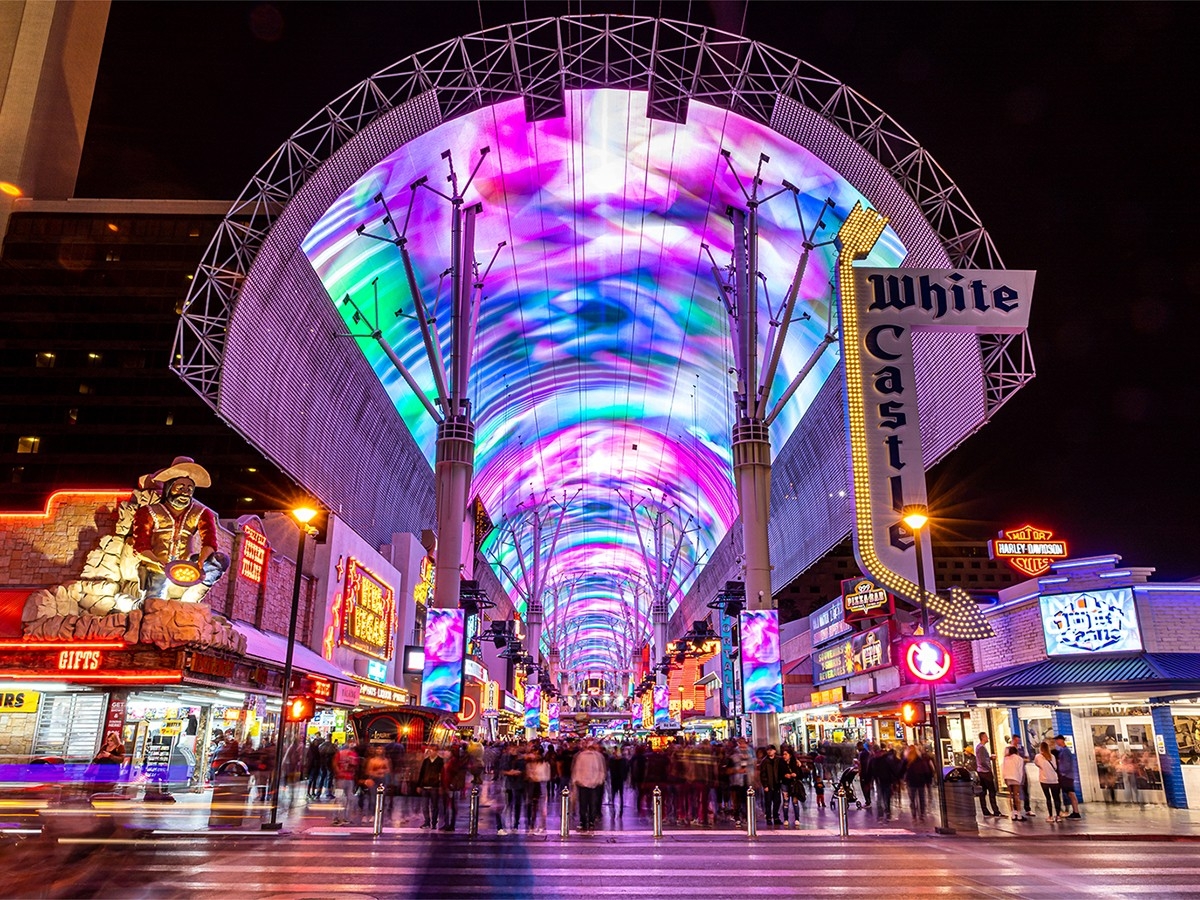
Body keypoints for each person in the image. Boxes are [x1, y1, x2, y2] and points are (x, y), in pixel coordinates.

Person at [130, 456, 230, 601]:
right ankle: (142, 603)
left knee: (220, 560)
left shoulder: (201, 513)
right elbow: (140, 547)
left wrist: (200, 562)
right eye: (181, 487)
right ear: (170, 487)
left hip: (186, 566)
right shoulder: (148, 511)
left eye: (189, 488)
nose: (185, 492)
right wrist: (159, 562)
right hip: (157, 567)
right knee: (153, 604)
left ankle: (191, 601)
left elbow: (210, 542)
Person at [571, 739, 608, 832]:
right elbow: (601, 770)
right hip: (595, 783)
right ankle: (591, 822)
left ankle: (583, 823)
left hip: (582, 783)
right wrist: (600, 780)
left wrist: (575, 780)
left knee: (583, 804)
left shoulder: (581, 756)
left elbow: (577, 769)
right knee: (593, 804)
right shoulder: (599, 756)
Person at [902, 744, 934, 823]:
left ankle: (914, 815)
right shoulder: (921, 760)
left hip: (911, 782)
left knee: (912, 799)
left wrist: (902, 779)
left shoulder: (907, 760)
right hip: (921, 782)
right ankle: (922, 815)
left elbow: (901, 770)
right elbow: (927, 770)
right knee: (921, 798)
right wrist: (928, 781)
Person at [974, 732, 1003, 819]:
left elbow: (982, 759)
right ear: (982, 737)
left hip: (981, 771)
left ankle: (985, 810)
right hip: (985, 772)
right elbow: (983, 761)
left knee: (983, 792)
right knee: (991, 791)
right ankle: (995, 810)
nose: (988, 738)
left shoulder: (979, 747)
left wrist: (989, 758)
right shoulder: (981, 748)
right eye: (986, 736)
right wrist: (989, 768)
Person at [332, 740, 360, 826]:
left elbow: (334, 764)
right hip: (349, 779)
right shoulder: (354, 755)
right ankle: (346, 817)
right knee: (349, 798)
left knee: (339, 797)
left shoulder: (340, 753)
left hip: (340, 779)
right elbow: (355, 767)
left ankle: (336, 817)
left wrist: (338, 772)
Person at [1034, 740, 1063, 822]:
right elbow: (1056, 768)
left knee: (1048, 798)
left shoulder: (1038, 756)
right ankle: (1058, 816)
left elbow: (1037, 764)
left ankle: (1050, 816)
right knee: (1056, 798)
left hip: (1044, 780)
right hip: (1054, 780)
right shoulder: (1052, 756)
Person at [1053, 735, 1081, 819]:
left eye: (1057, 740)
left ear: (1061, 740)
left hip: (1067, 776)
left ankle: (1076, 812)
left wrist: (1062, 773)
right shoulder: (1063, 751)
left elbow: (1066, 764)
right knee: (1070, 793)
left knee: (1071, 793)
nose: (1056, 742)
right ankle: (1075, 811)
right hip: (1067, 775)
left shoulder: (1065, 751)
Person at [417, 745, 444, 829]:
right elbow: (421, 773)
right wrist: (419, 785)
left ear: (437, 751)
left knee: (434, 806)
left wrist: (440, 786)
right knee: (424, 806)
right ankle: (427, 822)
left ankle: (434, 822)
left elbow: (442, 774)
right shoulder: (426, 761)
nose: (431, 752)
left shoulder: (440, 761)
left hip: (434, 787)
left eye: (433, 750)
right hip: (425, 786)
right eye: (430, 750)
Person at [757, 744, 784, 826]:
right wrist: (765, 785)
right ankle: (768, 818)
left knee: (777, 801)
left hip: (777, 784)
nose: (769, 751)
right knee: (768, 802)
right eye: (768, 750)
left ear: (775, 751)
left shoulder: (779, 760)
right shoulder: (764, 761)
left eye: (771, 750)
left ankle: (776, 817)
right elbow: (763, 774)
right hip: (768, 785)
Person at [779, 747, 806, 827]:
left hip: (794, 785)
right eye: (783, 754)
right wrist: (784, 775)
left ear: (790, 755)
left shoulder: (795, 763)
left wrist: (795, 775)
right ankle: (786, 819)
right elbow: (779, 774)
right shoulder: (781, 763)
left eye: (786, 754)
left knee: (795, 802)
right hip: (785, 784)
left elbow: (801, 775)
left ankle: (797, 819)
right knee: (786, 802)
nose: (784, 756)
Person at [1001, 745, 1027, 821]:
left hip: (1007, 777)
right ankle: (1019, 814)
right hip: (1015, 778)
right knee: (1016, 795)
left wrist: (1004, 778)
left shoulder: (1006, 758)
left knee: (1010, 795)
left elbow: (1003, 768)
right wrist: (1020, 780)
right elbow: (1020, 770)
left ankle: (1012, 813)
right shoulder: (1019, 759)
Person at [1009, 735, 1032, 815]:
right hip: (1013, 773)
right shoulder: (1009, 749)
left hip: (1022, 771)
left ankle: (1027, 808)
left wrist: (1021, 759)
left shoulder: (1022, 748)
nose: (1017, 742)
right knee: (1014, 792)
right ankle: (1016, 809)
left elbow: (1028, 759)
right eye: (1016, 740)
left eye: (1018, 740)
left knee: (1025, 790)